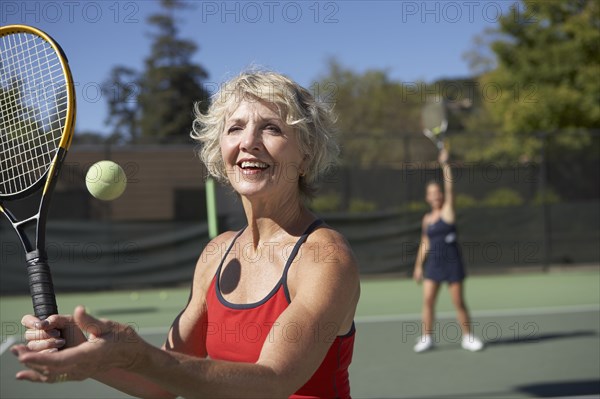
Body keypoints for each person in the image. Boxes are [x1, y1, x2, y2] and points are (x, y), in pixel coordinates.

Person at [11, 70, 360, 398]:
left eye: (271, 128)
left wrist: (140, 355)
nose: (249, 141)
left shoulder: (325, 256)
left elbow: (273, 381)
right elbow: (162, 384)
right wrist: (83, 350)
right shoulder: (216, 253)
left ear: (306, 154)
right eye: (235, 128)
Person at [412, 147, 483, 353]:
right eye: (431, 194)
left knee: (458, 301)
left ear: (441, 195)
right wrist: (418, 266)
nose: (435, 196)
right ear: (427, 198)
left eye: (437, 192)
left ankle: (468, 337)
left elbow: (451, 188)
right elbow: (424, 242)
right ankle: (426, 338)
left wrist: (445, 165)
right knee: (427, 301)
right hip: (433, 264)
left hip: (452, 263)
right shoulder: (427, 219)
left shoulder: (448, 211)